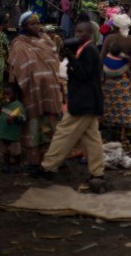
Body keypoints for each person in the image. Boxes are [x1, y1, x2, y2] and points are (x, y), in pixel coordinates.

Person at [35, 22, 107, 191]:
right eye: (76, 31)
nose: (77, 34)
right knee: (91, 139)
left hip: (83, 101)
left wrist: (72, 58)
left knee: (64, 133)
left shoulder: (89, 51)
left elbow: (83, 74)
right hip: (88, 101)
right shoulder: (86, 50)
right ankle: (97, 172)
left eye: (81, 32)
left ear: (89, 34)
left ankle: (48, 166)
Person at [8, 11, 63, 174]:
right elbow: (15, 69)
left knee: (49, 126)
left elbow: (54, 62)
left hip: (49, 92)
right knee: (32, 127)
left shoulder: (47, 41)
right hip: (31, 94)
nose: (37, 26)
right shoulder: (19, 44)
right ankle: (32, 162)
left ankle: (49, 160)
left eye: (38, 23)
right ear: (24, 26)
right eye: (32, 24)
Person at [100, 14, 131, 143]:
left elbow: (101, 57)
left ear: (115, 26)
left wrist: (100, 77)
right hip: (124, 77)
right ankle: (123, 133)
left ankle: (112, 129)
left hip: (109, 77)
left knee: (111, 103)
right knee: (125, 105)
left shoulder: (110, 38)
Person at [0, 84, 27, 173]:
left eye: (8, 94)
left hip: (13, 134)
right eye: (4, 94)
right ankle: (6, 165)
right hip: (4, 133)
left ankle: (17, 166)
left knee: (16, 152)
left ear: (15, 94)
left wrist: (15, 118)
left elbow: (23, 118)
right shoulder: (3, 105)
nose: (6, 96)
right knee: (5, 151)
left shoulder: (18, 105)